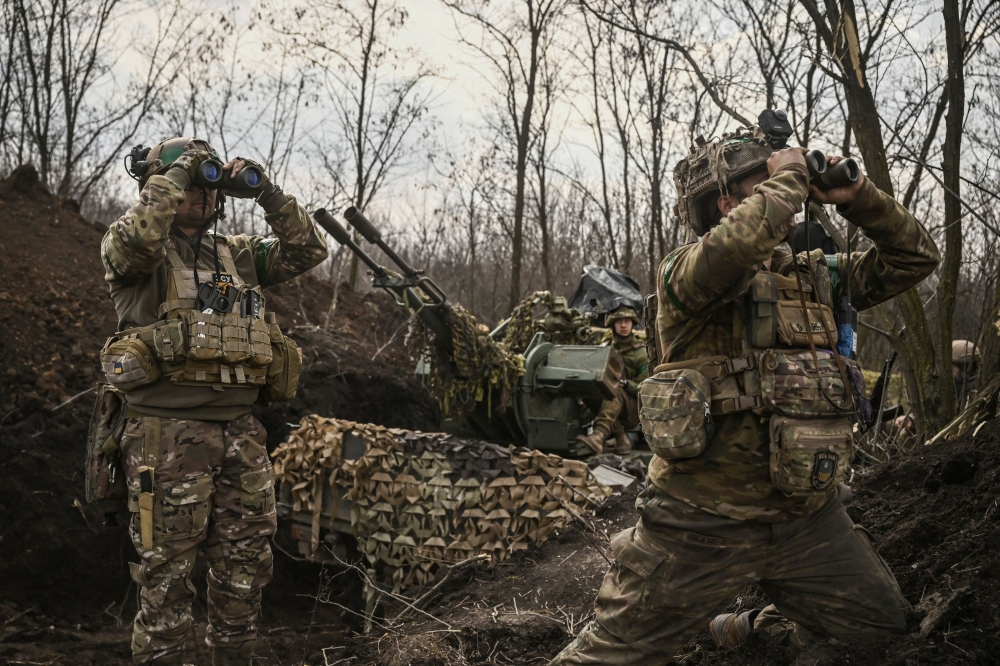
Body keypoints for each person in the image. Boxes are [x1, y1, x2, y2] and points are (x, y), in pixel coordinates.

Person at [548, 122, 940, 665]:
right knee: (609, 658)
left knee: (877, 631)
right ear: (724, 203)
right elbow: (734, 252)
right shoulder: (686, 273)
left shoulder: (813, 279)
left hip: (806, 520)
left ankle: (751, 629)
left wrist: (859, 198)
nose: (790, 194)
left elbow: (917, 258)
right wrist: (790, 176)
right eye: (766, 186)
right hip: (699, 525)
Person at [101, 137, 328, 666]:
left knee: (245, 571)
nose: (201, 194)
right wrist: (178, 173)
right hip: (165, 435)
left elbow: (307, 250)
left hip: (240, 433)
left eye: (210, 185)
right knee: (167, 577)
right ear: (160, 183)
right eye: (190, 184)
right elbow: (139, 239)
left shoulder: (236, 254)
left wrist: (266, 191)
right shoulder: (132, 249)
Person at [575, 305, 650, 455]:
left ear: (632, 324)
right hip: (611, 404)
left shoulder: (641, 353)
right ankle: (622, 438)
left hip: (634, 409)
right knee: (592, 391)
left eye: (627, 321)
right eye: (619, 321)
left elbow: (646, 388)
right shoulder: (605, 349)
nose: (623, 325)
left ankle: (598, 436)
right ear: (612, 325)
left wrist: (627, 385)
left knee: (615, 390)